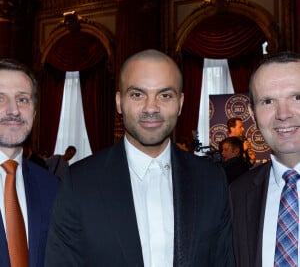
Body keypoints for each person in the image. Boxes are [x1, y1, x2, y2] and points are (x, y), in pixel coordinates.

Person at [45, 49, 235, 267]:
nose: (151, 108)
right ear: (119, 101)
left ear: (180, 103)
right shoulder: (79, 182)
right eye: (137, 94)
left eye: (165, 95)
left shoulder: (211, 181)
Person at [230, 51, 300, 267]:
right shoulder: (236, 196)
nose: (283, 113)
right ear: (252, 114)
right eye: (268, 101)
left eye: (297, 97)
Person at [0, 59, 59, 267]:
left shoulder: (51, 187)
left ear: (34, 113)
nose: (14, 110)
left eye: (22, 99)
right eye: (1, 98)